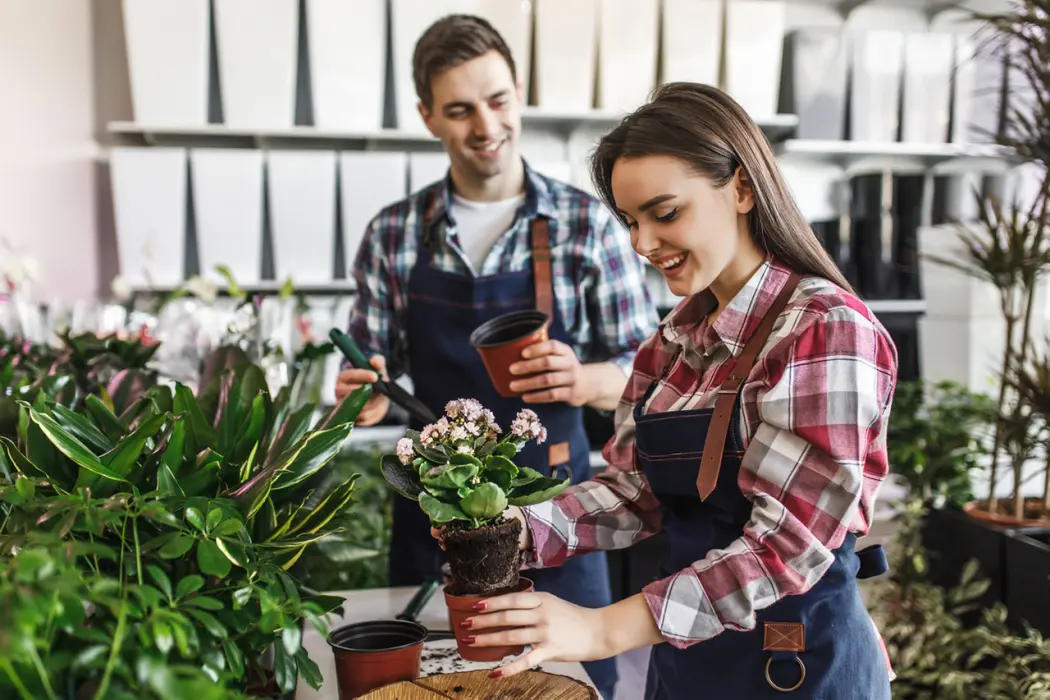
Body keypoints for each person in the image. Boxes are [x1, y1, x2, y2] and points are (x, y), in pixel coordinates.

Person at [440, 82, 899, 699]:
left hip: (795, 666)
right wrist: (519, 529)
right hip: (688, 661)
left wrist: (603, 629)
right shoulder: (674, 339)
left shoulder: (824, 330)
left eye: (665, 213)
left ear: (741, 187)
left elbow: (784, 547)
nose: (641, 244)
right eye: (631, 221)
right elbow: (635, 490)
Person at [335, 14, 658, 699]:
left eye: (498, 100)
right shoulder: (393, 236)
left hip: (561, 526)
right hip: (436, 521)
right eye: (459, 110)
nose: (486, 125)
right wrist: (361, 397)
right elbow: (369, 373)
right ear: (428, 117)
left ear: (519, 92)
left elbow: (651, 378)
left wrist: (584, 378)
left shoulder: (586, 224)